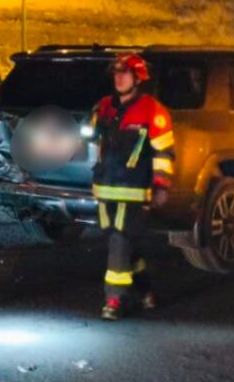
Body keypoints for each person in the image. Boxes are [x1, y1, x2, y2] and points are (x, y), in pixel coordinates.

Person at [90, 53, 175, 321]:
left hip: (134, 190)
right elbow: (94, 144)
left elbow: (164, 153)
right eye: (116, 73)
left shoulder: (153, 111)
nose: (118, 77)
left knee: (119, 240)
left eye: (124, 73)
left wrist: (161, 185)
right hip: (104, 189)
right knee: (125, 244)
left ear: (138, 78)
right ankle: (145, 289)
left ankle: (114, 299)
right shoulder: (103, 107)